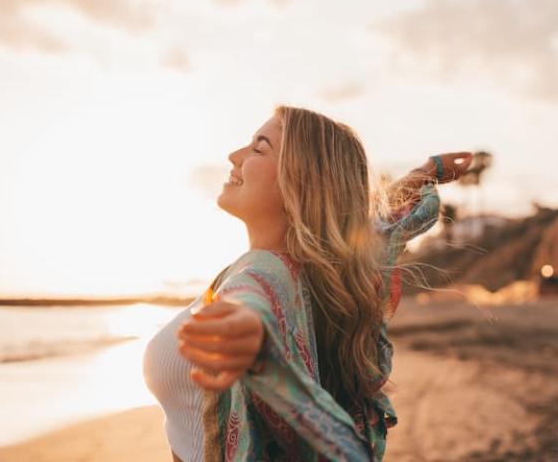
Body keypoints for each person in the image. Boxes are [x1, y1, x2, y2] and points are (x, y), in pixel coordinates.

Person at [142, 105, 472, 461]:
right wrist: (420, 177)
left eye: (258, 147)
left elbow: (253, 302)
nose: (234, 156)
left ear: (300, 182)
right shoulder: (302, 270)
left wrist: (254, 334)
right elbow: (371, 234)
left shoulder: (261, 277)